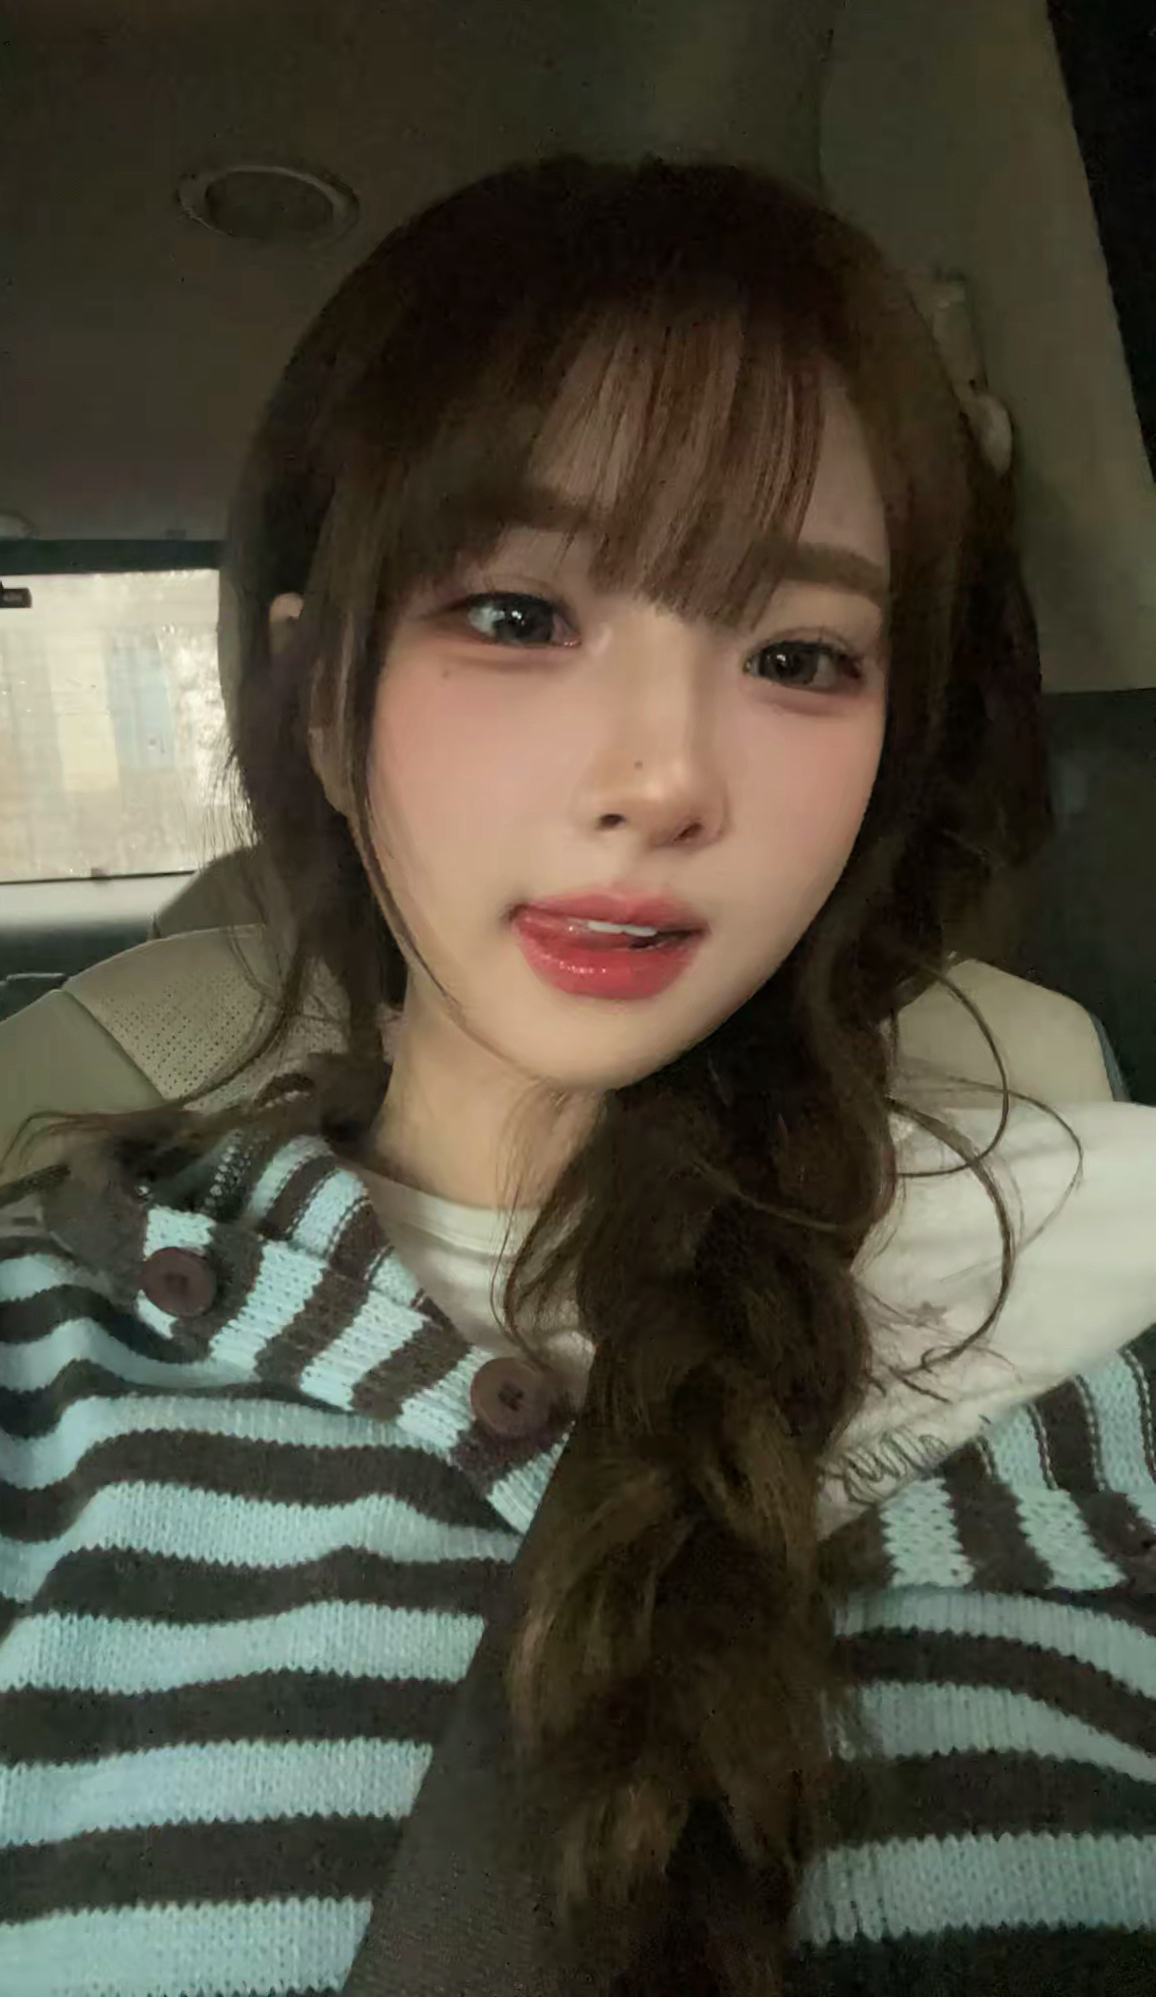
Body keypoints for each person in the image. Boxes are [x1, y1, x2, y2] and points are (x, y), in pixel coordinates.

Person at [0, 156, 1153, 1997]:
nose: (665, 777)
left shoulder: (1108, 1289)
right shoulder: (52, 1372)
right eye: (520, 616)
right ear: (320, 699)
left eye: (798, 654)